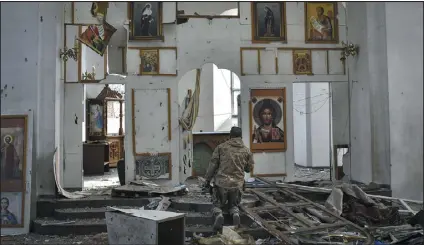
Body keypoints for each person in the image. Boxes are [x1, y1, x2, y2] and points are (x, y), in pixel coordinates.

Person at [204, 127, 254, 231]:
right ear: (241, 137)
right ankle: (235, 213)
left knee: (216, 204)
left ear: (230, 136)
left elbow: (213, 165)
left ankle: (219, 215)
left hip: (221, 183)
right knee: (234, 205)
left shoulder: (221, 147)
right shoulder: (246, 151)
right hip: (237, 184)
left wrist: (207, 180)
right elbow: (249, 169)